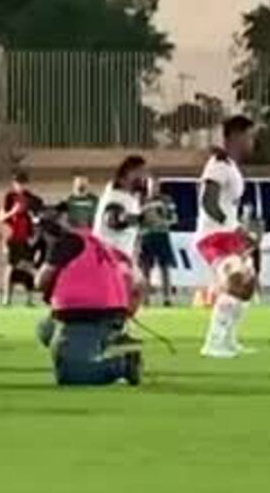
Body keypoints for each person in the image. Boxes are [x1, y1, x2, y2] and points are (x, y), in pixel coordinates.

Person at [36, 214, 143, 387]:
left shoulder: (67, 242)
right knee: (45, 328)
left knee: (70, 376)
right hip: (112, 313)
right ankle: (90, 349)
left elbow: (41, 280)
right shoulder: (98, 243)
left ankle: (122, 365)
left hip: (86, 313)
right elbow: (138, 285)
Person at [197, 116, 258, 358]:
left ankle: (229, 339)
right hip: (214, 237)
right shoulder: (218, 165)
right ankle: (213, 343)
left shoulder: (231, 166)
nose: (252, 141)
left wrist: (240, 231)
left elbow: (226, 205)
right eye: (249, 136)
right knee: (236, 279)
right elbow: (208, 202)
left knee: (247, 284)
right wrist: (235, 227)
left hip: (227, 236)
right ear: (236, 137)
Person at [94, 155, 149, 306]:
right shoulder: (116, 196)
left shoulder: (127, 197)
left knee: (137, 288)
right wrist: (141, 219)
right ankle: (115, 324)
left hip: (119, 256)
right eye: (142, 172)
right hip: (111, 256)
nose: (145, 177)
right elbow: (113, 219)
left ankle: (118, 324)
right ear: (130, 172)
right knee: (127, 293)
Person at [0, 170, 45, 305]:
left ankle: (29, 299)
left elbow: (37, 218)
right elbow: (2, 217)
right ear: (14, 184)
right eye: (18, 183)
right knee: (12, 266)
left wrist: (34, 233)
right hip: (12, 237)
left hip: (27, 238)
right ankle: (7, 298)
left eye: (23, 183)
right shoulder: (8, 197)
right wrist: (13, 211)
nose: (20, 186)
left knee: (28, 264)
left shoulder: (32, 199)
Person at [138, 182, 180, 307]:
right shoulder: (142, 200)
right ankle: (145, 299)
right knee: (145, 268)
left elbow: (174, 218)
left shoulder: (166, 200)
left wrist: (162, 222)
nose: (153, 188)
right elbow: (137, 219)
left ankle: (167, 298)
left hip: (162, 235)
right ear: (147, 186)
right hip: (146, 236)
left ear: (158, 187)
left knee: (165, 267)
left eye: (155, 186)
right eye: (151, 185)